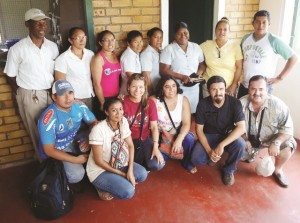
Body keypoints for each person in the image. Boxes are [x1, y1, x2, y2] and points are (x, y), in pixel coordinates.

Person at [4, 8, 59, 161]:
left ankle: (57, 166)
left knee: (54, 130)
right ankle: (46, 167)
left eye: (44, 23)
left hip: (51, 94)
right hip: (31, 95)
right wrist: (23, 92)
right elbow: (9, 75)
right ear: (27, 24)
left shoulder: (52, 47)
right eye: (37, 24)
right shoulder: (18, 49)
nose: (42, 27)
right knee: (38, 133)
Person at [240, 75, 297, 187]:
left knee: (289, 145)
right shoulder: (240, 103)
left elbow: (288, 129)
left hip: (270, 139)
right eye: (253, 89)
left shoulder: (278, 106)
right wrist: (244, 138)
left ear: (267, 90)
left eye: (261, 89)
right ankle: (252, 153)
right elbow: (234, 125)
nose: (257, 93)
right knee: (236, 147)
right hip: (249, 140)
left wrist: (277, 142)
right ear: (248, 89)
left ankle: (278, 170)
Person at [87, 98, 147, 200]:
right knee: (128, 192)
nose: (119, 113)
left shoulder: (123, 121)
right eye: (114, 110)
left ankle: (115, 181)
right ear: (106, 112)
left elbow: (131, 146)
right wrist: (124, 174)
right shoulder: (98, 130)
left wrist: (130, 171)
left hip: (118, 163)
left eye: (121, 109)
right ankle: (99, 186)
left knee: (142, 174)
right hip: (100, 170)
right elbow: (99, 161)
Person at [38, 80, 97, 184]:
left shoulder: (79, 106)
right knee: (77, 174)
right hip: (58, 149)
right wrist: (76, 160)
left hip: (73, 140)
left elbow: (94, 123)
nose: (68, 97)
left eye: (70, 92)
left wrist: (89, 139)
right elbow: (49, 150)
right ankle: (58, 181)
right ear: (54, 97)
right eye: (62, 94)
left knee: (100, 138)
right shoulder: (48, 118)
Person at [191, 76, 246, 186]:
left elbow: (241, 128)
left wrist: (221, 145)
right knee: (195, 159)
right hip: (209, 135)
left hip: (227, 136)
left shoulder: (235, 103)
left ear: (225, 89)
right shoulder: (202, 104)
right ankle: (213, 156)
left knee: (241, 144)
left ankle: (229, 170)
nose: (218, 93)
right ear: (208, 90)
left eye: (221, 89)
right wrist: (209, 151)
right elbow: (199, 130)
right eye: (214, 89)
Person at [237, 10, 297, 98]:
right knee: (241, 110)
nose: (260, 25)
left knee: (261, 111)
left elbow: (293, 57)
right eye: (257, 22)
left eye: (264, 22)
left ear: (269, 24)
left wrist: (280, 78)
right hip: (245, 85)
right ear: (253, 23)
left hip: (263, 88)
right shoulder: (246, 38)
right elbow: (241, 60)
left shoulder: (274, 40)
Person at [151, 75, 195, 172]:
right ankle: (168, 153)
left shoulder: (183, 100)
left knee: (189, 138)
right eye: (167, 87)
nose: (171, 89)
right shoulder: (154, 100)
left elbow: (187, 123)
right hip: (161, 138)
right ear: (162, 88)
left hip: (176, 134)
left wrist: (179, 139)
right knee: (156, 164)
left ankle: (186, 161)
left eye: (174, 86)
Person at [160, 22, 205, 113]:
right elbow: (164, 70)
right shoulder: (169, 49)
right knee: (178, 113)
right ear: (174, 35)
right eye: (179, 33)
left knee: (192, 113)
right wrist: (182, 77)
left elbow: (202, 64)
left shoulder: (196, 47)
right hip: (176, 88)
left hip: (194, 88)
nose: (183, 36)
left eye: (185, 33)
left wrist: (197, 75)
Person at [123, 73, 165, 171]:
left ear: (145, 88)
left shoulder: (150, 103)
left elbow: (154, 127)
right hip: (126, 140)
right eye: (134, 86)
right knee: (124, 164)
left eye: (141, 87)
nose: (137, 90)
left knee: (157, 164)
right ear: (128, 87)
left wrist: (155, 147)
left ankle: (143, 163)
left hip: (143, 139)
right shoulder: (122, 102)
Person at [200, 17, 243, 97]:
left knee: (227, 109)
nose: (222, 32)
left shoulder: (235, 47)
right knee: (209, 109)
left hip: (228, 89)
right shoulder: (206, 45)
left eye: (225, 29)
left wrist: (234, 85)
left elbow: (239, 67)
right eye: (219, 29)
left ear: (229, 32)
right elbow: (192, 49)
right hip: (209, 89)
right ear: (215, 31)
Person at [55, 27, 95, 110]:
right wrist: (69, 99)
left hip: (90, 95)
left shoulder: (90, 54)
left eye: (84, 37)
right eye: (78, 38)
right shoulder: (63, 58)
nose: (82, 40)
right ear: (70, 40)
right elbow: (60, 83)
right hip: (75, 99)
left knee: (92, 121)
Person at [91, 30, 121, 120]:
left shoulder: (115, 56)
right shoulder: (98, 59)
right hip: (104, 98)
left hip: (116, 97)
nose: (110, 43)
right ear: (100, 43)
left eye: (112, 39)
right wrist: (102, 102)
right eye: (106, 40)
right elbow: (96, 83)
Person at [140, 27, 163, 95]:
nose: (159, 40)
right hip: (152, 91)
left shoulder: (160, 51)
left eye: (161, 37)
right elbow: (146, 75)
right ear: (149, 39)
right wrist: (152, 93)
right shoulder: (147, 53)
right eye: (156, 37)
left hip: (159, 89)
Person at [120, 30, 144, 95]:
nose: (139, 44)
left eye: (141, 41)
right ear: (128, 43)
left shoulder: (135, 53)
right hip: (130, 91)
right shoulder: (128, 56)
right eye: (136, 42)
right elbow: (131, 76)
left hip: (135, 89)